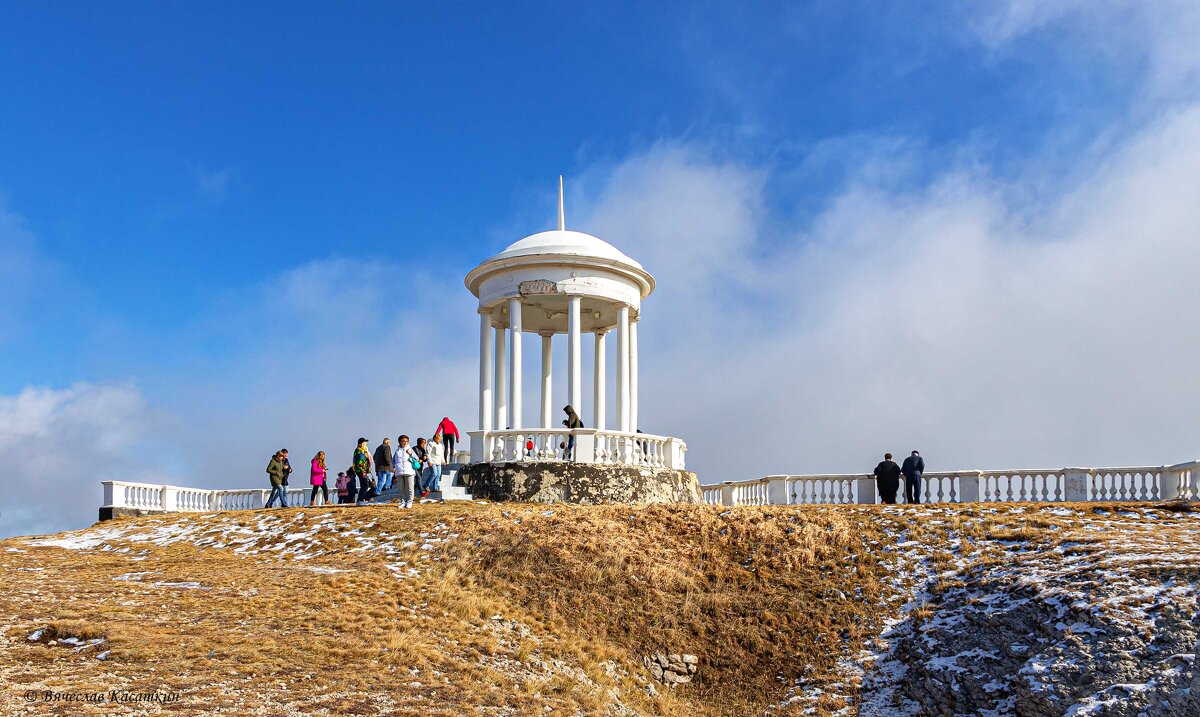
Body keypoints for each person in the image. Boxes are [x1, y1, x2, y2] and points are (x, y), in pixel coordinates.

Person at [393, 435, 418, 508]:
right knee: (401, 488)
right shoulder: (397, 451)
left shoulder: (410, 449)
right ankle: (402, 501)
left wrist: (410, 454)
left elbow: (416, 458)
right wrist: (395, 468)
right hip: (399, 471)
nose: (404, 443)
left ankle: (409, 501)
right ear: (400, 442)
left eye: (406, 441)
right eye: (403, 441)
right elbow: (393, 460)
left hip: (409, 471)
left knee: (409, 487)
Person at [424, 433, 445, 500]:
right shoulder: (430, 444)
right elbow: (428, 453)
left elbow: (441, 454)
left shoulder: (440, 445)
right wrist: (429, 461)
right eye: (438, 439)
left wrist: (443, 461)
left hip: (438, 461)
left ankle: (435, 488)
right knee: (434, 473)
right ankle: (426, 485)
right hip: (432, 461)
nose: (439, 440)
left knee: (438, 475)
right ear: (435, 438)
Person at [353, 438, 374, 503]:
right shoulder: (359, 451)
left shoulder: (363, 450)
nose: (365, 444)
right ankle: (361, 499)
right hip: (361, 471)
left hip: (363, 470)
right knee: (365, 485)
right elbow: (360, 462)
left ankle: (362, 498)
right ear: (360, 444)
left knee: (366, 485)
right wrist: (363, 471)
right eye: (364, 443)